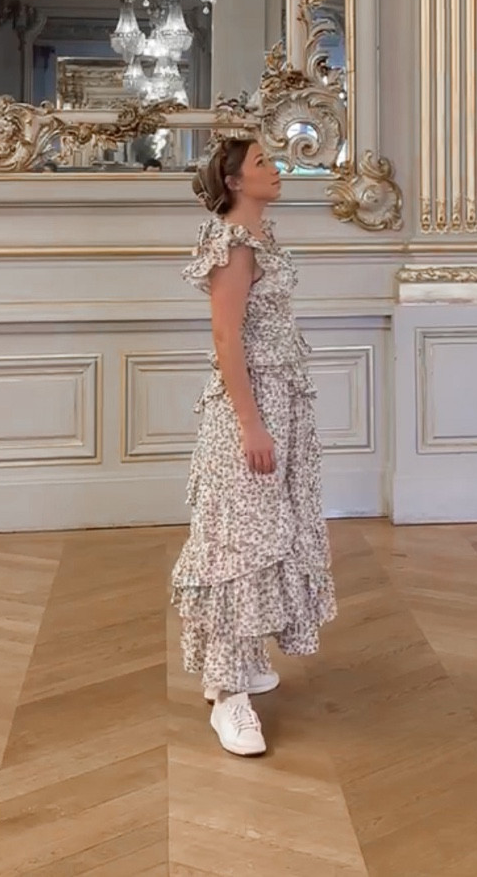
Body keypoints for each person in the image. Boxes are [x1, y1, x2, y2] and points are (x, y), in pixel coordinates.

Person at [170, 136, 337, 756]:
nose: (276, 169)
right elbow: (226, 337)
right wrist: (250, 423)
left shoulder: (263, 237)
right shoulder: (233, 243)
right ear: (236, 180)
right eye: (264, 162)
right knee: (240, 539)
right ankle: (227, 690)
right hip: (253, 404)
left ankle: (238, 662)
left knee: (270, 528)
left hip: (281, 399)